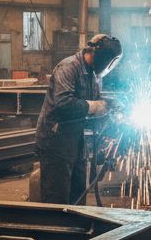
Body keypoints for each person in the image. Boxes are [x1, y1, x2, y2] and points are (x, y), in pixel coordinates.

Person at [34, 34, 123, 205]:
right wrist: (94, 106)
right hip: (55, 141)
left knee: (78, 196)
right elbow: (62, 102)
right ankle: (55, 230)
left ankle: (76, 229)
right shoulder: (68, 67)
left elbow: (95, 103)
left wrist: (110, 111)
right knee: (57, 198)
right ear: (102, 58)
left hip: (76, 140)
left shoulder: (95, 76)